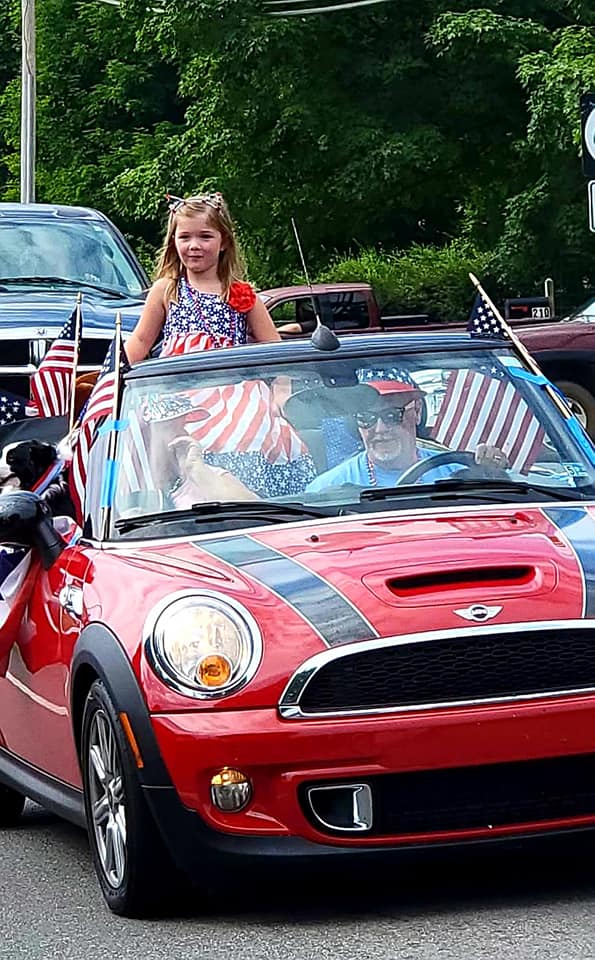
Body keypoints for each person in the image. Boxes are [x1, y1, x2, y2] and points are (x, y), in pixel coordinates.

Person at [125, 192, 280, 363]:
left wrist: (282, 379)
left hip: (227, 378)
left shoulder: (242, 294)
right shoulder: (166, 290)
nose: (194, 246)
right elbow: (140, 340)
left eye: (205, 237)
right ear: (174, 241)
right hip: (177, 379)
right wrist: (114, 371)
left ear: (224, 242)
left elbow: (275, 349)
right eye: (185, 237)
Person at [306, 379, 509, 493]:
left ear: (417, 411)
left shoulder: (463, 472)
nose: (380, 428)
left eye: (392, 415)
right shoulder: (326, 490)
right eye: (366, 418)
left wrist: (494, 474)